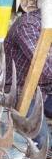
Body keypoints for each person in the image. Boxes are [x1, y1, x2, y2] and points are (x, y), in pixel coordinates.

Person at [5, 9, 52, 151]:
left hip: (45, 90)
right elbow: (46, 68)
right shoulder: (27, 25)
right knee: (45, 145)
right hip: (21, 94)